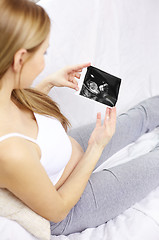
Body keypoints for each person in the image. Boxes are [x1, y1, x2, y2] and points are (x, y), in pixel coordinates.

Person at [0, 0, 159, 237]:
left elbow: (26, 125)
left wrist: (47, 83)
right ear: (20, 58)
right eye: (43, 53)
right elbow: (58, 210)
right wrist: (96, 148)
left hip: (65, 150)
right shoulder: (10, 152)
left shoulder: (7, 92)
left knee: (138, 117)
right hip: (72, 203)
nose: (45, 61)